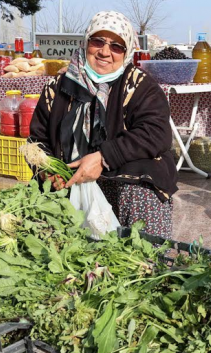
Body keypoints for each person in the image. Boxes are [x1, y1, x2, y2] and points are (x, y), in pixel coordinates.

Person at [29, 11, 178, 239]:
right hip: (70, 179)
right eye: (98, 41)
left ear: (127, 52)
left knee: (141, 193)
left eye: (117, 46)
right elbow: (37, 138)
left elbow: (156, 134)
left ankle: (146, 261)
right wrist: (47, 172)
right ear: (86, 42)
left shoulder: (141, 87)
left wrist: (102, 158)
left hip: (122, 177)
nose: (105, 52)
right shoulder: (57, 87)